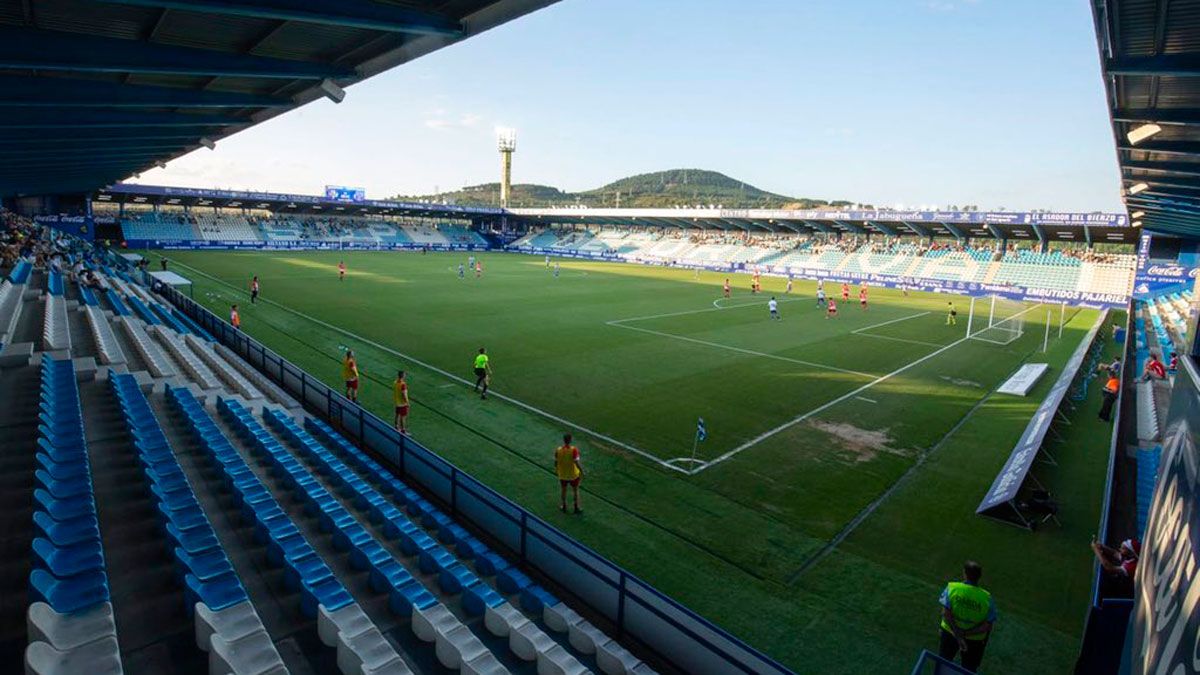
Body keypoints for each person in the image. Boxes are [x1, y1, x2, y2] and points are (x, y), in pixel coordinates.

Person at [938, 561, 996, 673]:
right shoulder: (987, 598)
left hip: (950, 632)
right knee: (969, 669)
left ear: (964, 573)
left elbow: (945, 613)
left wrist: (957, 633)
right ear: (979, 577)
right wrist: (965, 634)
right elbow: (987, 626)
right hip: (975, 640)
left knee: (943, 662)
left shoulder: (952, 587)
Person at [555, 433, 583, 514]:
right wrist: (582, 471)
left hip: (563, 474)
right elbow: (576, 462)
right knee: (575, 491)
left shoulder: (558, 450)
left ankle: (563, 505)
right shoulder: (574, 450)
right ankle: (576, 507)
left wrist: (557, 470)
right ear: (570, 440)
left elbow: (556, 461)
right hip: (573, 475)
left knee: (563, 490)